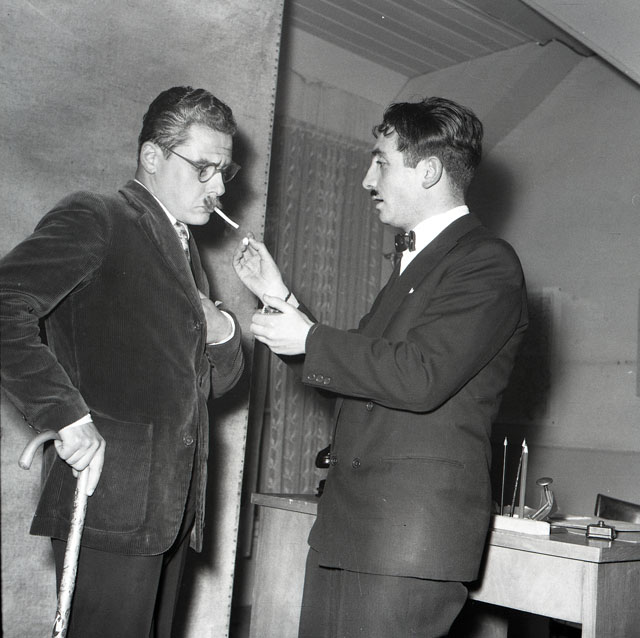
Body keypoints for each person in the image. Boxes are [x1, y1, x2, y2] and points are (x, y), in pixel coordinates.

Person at [233, 97, 528, 637]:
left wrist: (310, 338)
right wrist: (281, 299)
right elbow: (365, 375)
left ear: (429, 171)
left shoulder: (487, 262)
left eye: (381, 162)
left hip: (405, 542)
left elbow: (419, 376)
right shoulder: (416, 265)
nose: (368, 180)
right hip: (354, 530)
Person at [0, 86, 244, 637]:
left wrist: (224, 327)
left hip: (169, 513)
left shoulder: (187, 254)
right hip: (107, 499)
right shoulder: (99, 217)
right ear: (152, 156)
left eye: (225, 172)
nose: (219, 188)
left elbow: (217, 384)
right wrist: (64, 415)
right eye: (204, 169)